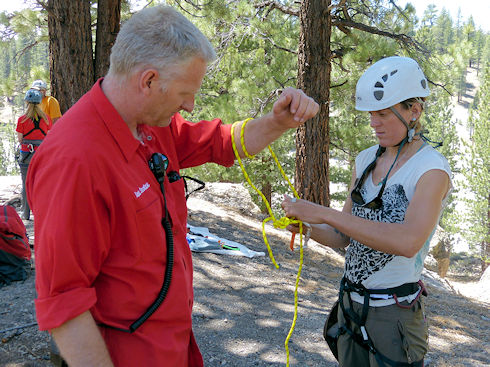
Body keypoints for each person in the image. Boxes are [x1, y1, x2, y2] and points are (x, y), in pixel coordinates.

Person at [26, 5, 318, 367]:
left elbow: (223, 142)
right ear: (147, 80)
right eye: (184, 93)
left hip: (174, 345)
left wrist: (278, 123)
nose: (191, 106)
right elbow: (65, 305)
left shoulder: (152, 122)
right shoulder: (74, 161)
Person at [281, 56, 452, 367]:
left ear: (414, 111)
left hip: (393, 316)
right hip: (350, 305)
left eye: (384, 114)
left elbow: (408, 241)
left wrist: (325, 213)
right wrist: (308, 228)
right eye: (372, 115)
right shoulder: (365, 160)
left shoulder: (431, 170)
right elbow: (342, 237)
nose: (374, 123)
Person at [16, 89, 52, 220]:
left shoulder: (21, 120)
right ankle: (41, 213)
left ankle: (25, 214)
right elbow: (49, 137)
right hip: (42, 155)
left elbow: (20, 139)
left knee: (26, 184)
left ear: (27, 102)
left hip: (26, 155)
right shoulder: (47, 119)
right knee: (42, 184)